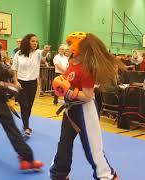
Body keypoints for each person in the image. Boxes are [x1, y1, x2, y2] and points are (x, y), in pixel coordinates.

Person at [50, 32, 123, 180]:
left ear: (79, 48)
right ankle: (59, 174)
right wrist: (61, 82)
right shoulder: (72, 63)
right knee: (64, 143)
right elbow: (68, 80)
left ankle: (107, 176)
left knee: (92, 147)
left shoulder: (86, 68)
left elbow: (88, 96)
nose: (69, 47)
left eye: (71, 45)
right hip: (70, 109)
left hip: (85, 110)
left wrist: (69, 91)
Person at [0, 42, 44, 171]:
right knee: (12, 129)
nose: (2, 52)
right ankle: (27, 158)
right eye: (0, 51)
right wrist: (9, 85)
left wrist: (12, 81)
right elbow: (8, 74)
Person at [11, 34, 50, 139]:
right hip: (20, 84)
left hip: (32, 84)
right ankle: (27, 127)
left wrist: (46, 50)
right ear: (27, 42)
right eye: (33, 41)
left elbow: (43, 54)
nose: (35, 43)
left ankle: (25, 124)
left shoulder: (38, 53)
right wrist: (15, 81)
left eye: (36, 41)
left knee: (29, 106)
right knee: (24, 105)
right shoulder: (18, 54)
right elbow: (14, 68)